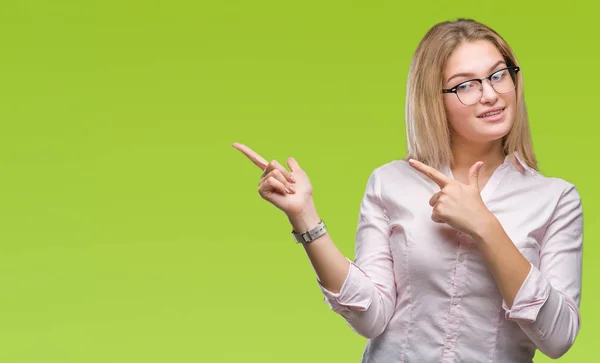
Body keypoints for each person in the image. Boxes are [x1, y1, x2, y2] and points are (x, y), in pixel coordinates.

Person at [232, 18, 583, 363]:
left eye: (497, 75)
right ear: (434, 98)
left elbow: (558, 338)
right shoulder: (390, 182)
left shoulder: (556, 199)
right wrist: (302, 214)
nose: (490, 94)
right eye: (465, 85)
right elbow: (371, 317)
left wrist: (485, 226)